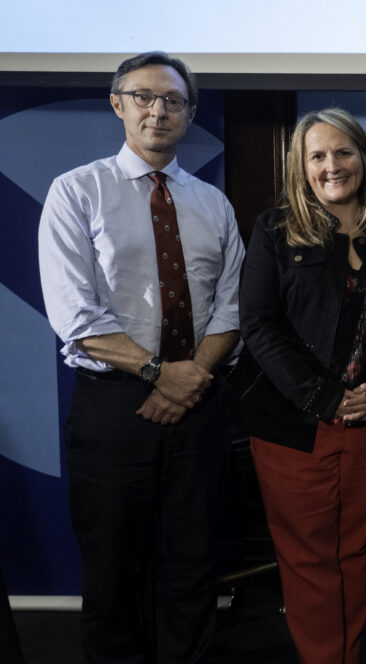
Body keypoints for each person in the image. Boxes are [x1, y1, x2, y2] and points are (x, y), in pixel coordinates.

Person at [37, 51, 244, 662]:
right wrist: (159, 373)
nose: (158, 110)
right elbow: (74, 315)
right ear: (118, 104)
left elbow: (231, 311)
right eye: (144, 96)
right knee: (112, 575)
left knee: (195, 568)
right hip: (113, 407)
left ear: (189, 113)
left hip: (199, 403)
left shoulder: (214, 204)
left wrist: (187, 381)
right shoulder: (76, 191)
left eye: (173, 100)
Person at [236, 108, 366, 664]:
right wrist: (321, 397)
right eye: (318, 156)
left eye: (344, 152)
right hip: (294, 425)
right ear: (300, 167)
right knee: (308, 559)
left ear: (364, 157)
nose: (333, 166)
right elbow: (258, 325)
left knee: (354, 552)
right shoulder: (275, 230)